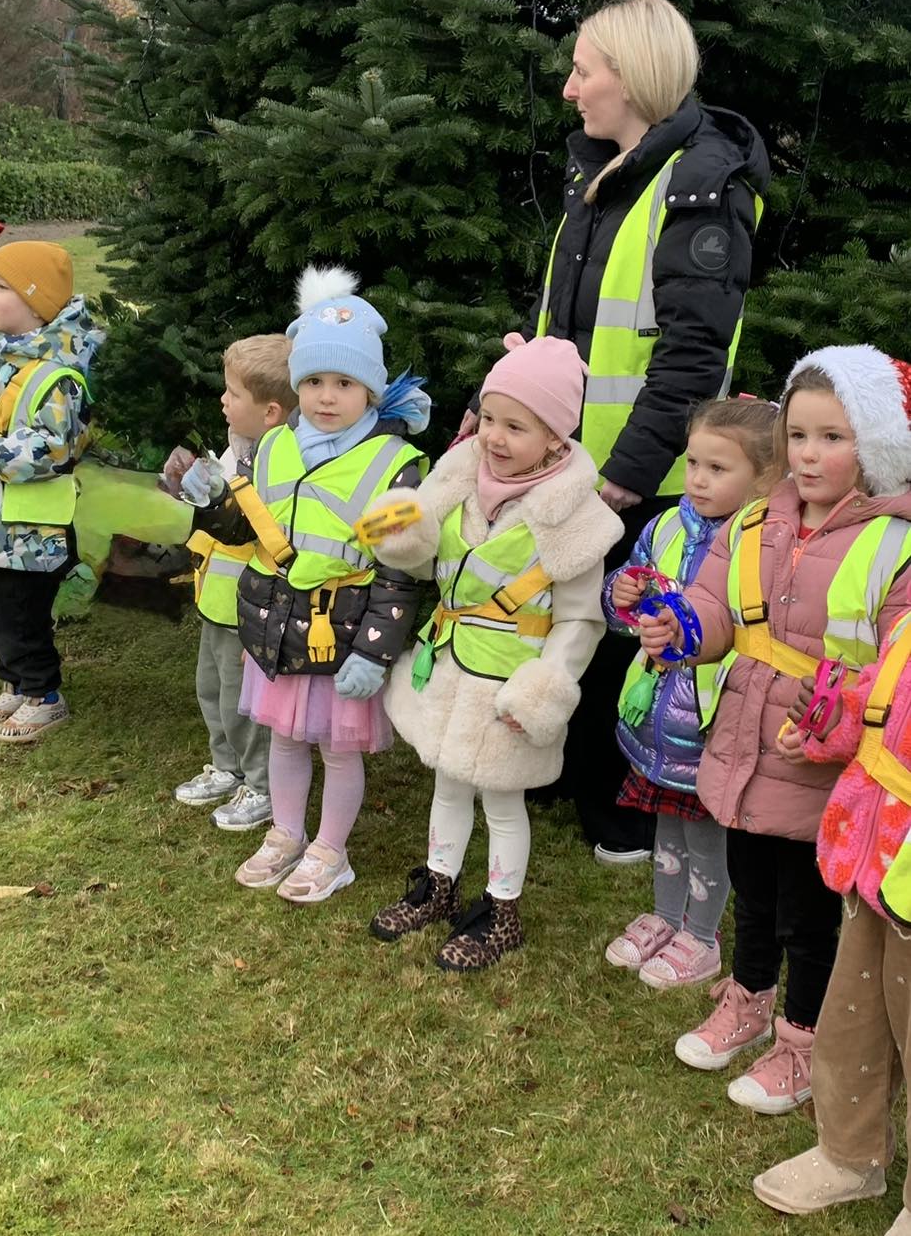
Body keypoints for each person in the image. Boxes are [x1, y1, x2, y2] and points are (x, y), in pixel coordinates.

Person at [473, 0, 771, 864]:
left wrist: (628, 473)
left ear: (632, 78)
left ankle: (627, 818)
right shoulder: (602, 174)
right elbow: (576, 328)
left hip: (644, 477)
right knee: (575, 621)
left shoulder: (700, 182)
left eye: (584, 70)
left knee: (629, 640)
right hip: (578, 461)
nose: (570, 90)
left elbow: (691, 352)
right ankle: (576, 777)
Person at [640, 346, 911, 1114]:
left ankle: (801, 1042)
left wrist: (827, 722)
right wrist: (681, 628)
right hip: (745, 744)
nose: (810, 454)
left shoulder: (896, 544)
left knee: (810, 915)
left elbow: (895, 666)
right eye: (798, 436)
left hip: (822, 763)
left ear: (878, 444)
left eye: (834, 437)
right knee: (752, 892)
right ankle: (747, 999)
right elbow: (718, 608)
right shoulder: (757, 521)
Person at [365, 334, 621, 967]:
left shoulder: (577, 517)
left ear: (557, 440)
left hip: (509, 686)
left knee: (503, 801)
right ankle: (439, 885)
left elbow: (581, 620)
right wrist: (398, 533)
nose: (495, 438)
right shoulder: (458, 471)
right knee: (448, 785)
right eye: (491, 418)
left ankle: (502, 911)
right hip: (449, 665)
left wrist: (542, 693)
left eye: (517, 426)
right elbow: (424, 552)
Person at [182, 267, 430, 904]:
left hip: (344, 635)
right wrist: (213, 504)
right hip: (275, 625)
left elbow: (400, 574)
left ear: (370, 391)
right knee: (287, 739)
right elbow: (250, 533)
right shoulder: (273, 446)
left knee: (339, 750)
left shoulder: (393, 464)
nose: (326, 396)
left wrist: (376, 652)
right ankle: (287, 832)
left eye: (344, 382)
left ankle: (331, 851)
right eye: (314, 381)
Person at [603, 398, 777, 987]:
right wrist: (621, 596)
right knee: (666, 825)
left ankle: (701, 936)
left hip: (711, 719)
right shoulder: (666, 525)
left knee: (705, 833)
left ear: (764, 477)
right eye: (693, 462)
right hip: (654, 709)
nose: (697, 479)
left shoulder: (764, 547)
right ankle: (664, 915)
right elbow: (629, 602)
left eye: (717, 469)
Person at [751, 605, 911, 1230]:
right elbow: (877, 699)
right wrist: (827, 721)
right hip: (877, 862)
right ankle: (850, 1153)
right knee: (853, 1018)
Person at [0, 241, 104, 742]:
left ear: (37, 302)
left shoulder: (56, 375)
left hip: (26, 528)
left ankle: (44, 696)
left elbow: (53, 450)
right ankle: (14, 683)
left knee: (18, 617)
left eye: (1, 286)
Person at [173, 334, 294, 831]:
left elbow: (260, 528)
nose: (223, 400)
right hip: (216, 599)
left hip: (250, 608)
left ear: (270, 412)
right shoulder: (237, 447)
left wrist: (220, 498)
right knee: (211, 689)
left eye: (233, 394)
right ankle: (226, 767)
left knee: (242, 702)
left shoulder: (281, 461)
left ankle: (261, 784)